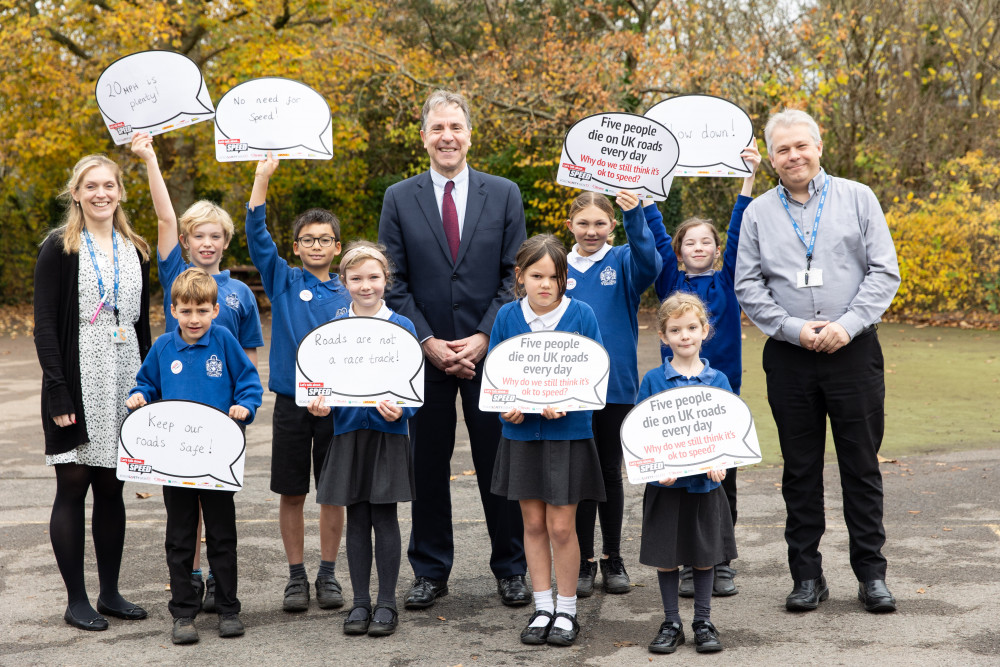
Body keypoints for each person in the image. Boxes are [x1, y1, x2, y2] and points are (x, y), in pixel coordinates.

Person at [734, 109, 901, 613]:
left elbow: (883, 272)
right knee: (800, 472)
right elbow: (747, 284)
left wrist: (844, 326)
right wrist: (794, 330)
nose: (794, 156)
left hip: (854, 353)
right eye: (783, 150)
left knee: (860, 468)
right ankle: (806, 576)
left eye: (801, 146)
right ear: (770, 158)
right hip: (790, 357)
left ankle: (871, 575)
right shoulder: (759, 212)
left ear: (819, 146)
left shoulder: (858, 197)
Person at [378, 89, 529, 608]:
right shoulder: (399, 197)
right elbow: (392, 283)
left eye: (455, 128)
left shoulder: (504, 193)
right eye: (437, 128)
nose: (447, 137)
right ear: (423, 136)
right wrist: (427, 341)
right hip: (425, 354)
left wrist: (485, 336)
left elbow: (516, 276)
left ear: (469, 134)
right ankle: (430, 570)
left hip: (491, 353)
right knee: (426, 466)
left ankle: (511, 567)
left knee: (499, 463)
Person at [131, 131, 264, 611]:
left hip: (222, 416)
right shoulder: (176, 278)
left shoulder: (240, 295)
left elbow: (248, 363)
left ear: (226, 242)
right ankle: (191, 584)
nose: (206, 243)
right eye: (198, 235)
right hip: (177, 419)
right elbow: (165, 215)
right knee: (184, 510)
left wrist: (245, 409)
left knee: (215, 506)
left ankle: (220, 589)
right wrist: (148, 156)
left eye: (215, 236)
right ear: (186, 241)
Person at [33, 154, 152, 631]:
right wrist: (58, 392)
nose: (101, 193)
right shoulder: (58, 248)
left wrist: (148, 385)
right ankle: (76, 599)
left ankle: (110, 593)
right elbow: (44, 325)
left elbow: (140, 324)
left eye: (109, 185)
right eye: (91, 186)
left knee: (112, 488)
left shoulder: (134, 248)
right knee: (73, 485)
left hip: (124, 377)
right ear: (76, 193)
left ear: (120, 191)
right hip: (77, 379)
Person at [643, 143, 761, 597]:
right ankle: (688, 561)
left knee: (719, 477)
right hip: (674, 395)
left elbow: (741, 227)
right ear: (679, 250)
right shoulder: (669, 282)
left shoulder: (727, 278)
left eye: (706, 241)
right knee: (680, 479)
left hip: (722, 391)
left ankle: (719, 558)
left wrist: (747, 181)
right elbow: (653, 233)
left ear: (716, 249)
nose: (698, 246)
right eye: (689, 241)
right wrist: (644, 188)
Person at [125, 268, 262, 644]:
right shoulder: (163, 348)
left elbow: (249, 384)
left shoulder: (226, 342)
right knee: (180, 537)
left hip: (217, 460)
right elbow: (147, 384)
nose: (194, 319)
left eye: (202, 310)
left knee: (222, 536)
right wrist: (140, 397)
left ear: (215, 309)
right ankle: (183, 612)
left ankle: (229, 608)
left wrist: (244, 406)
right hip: (175, 462)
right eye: (186, 311)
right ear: (173, 311)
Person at [489, 235, 606, 647]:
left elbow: (594, 377)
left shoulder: (582, 314)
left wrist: (567, 402)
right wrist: (507, 407)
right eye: (536, 276)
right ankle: (542, 607)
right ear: (520, 276)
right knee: (533, 524)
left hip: (568, 435)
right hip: (521, 434)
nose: (545, 285)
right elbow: (497, 376)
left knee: (560, 526)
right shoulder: (506, 316)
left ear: (564, 279)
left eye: (553, 277)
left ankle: (567, 610)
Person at [246, 154, 350, 612]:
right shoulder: (283, 281)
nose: (315, 246)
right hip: (292, 403)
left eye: (324, 239)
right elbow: (256, 236)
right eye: (307, 239)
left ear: (337, 245)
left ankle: (328, 574)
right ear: (295, 245)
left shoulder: (350, 292)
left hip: (339, 406)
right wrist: (261, 179)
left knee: (332, 492)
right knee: (292, 492)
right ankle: (296, 576)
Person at [306, 241, 419, 638]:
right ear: (344, 282)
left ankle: (386, 604)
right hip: (349, 432)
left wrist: (402, 410)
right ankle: (359, 603)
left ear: (386, 279)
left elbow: (414, 391)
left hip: (388, 434)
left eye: (374, 277)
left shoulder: (403, 327)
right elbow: (319, 384)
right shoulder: (333, 331)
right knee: (357, 515)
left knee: (384, 516)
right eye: (356, 278)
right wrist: (318, 405)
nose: (366, 285)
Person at [562, 190, 661, 597]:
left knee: (608, 473)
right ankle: (583, 561)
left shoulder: (622, 260)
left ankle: (612, 557)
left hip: (616, 384)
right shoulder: (556, 264)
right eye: (583, 223)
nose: (591, 231)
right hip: (568, 387)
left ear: (611, 226)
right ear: (569, 225)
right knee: (580, 476)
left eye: (600, 223)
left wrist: (635, 213)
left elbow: (651, 263)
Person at [638, 292, 736, 655]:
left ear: (704, 331)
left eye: (692, 327)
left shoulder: (718, 380)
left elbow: (728, 431)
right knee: (667, 555)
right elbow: (641, 433)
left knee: (704, 553)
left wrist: (720, 463)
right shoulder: (652, 380)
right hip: (666, 486)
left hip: (704, 488)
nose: (684, 335)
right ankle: (671, 622)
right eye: (675, 329)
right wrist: (657, 468)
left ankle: (703, 621)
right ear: (664, 336)